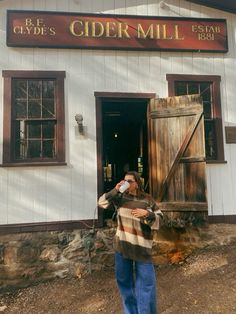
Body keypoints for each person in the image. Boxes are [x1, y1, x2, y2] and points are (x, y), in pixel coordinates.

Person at [98, 171, 163, 314]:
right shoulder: (119, 198)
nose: (126, 183)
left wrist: (147, 214)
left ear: (137, 183)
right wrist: (115, 189)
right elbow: (101, 202)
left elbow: (160, 219)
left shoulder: (147, 199)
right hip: (123, 247)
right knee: (125, 284)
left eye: (130, 181)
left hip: (142, 248)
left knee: (146, 285)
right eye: (125, 180)